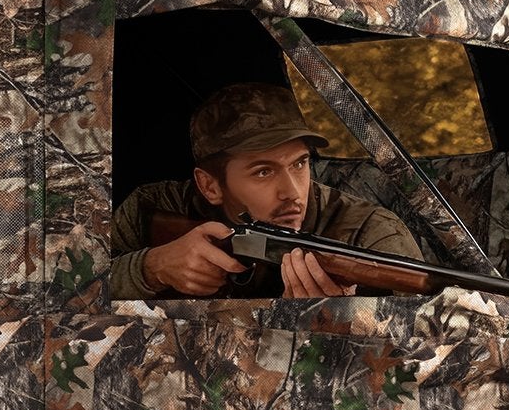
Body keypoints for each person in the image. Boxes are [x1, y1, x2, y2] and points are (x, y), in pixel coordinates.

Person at [109, 82, 423, 298]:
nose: (292, 193)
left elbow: (424, 341)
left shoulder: (373, 234)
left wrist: (335, 323)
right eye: (263, 171)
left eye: (300, 163)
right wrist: (151, 268)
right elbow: (81, 294)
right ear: (209, 186)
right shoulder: (151, 208)